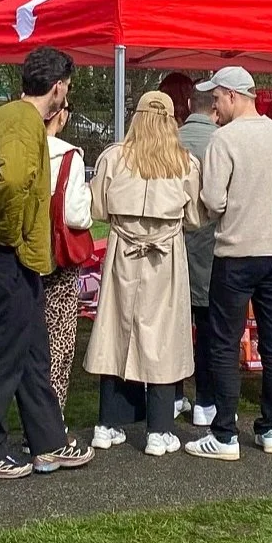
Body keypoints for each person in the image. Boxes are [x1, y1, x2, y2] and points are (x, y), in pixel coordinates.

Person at [0, 47, 94, 478]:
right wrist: (11, 233)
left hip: (12, 256)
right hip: (10, 256)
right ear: (57, 87)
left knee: (34, 351)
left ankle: (49, 441)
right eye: (68, 88)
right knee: (3, 353)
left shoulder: (2, 117)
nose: (66, 95)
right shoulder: (23, 124)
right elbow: (14, 181)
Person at [184, 66, 272, 461]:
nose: (214, 107)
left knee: (223, 343)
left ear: (232, 96)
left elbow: (214, 200)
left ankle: (225, 433)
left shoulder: (225, 139)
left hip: (236, 254)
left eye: (217, 98)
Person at [86, 91, 203, 457]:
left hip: (123, 252)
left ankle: (107, 423)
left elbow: (98, 208)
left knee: (116, 330)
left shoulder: (113, 157)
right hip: (165, 257)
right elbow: (197, 217)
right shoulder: (184, 163)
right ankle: (159, 429)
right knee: (162, 336)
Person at [42, 102, 92, 423]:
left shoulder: (15, 148)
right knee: (58, 341)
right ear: (61, 115)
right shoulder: (68, 156)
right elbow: (76, 214)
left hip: (21, 254)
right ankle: (51, 420)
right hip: (57, 254)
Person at [178, 88, 219, 426]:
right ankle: (206, 398)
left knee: (173, 325)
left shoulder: (170, 141)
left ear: (190, 106)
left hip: (172, 244)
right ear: (216, 110)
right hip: (211, 243)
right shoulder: (224, 142)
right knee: (208, 327)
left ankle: (174, 393)